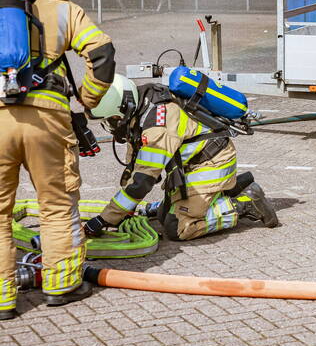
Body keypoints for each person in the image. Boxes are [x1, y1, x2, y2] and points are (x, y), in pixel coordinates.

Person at [0, 0, 116, 318]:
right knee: (56, 204)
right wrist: (88, 97)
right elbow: (103, 54)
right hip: (47, 120)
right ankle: (62, 285)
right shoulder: (62, 9)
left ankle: (3, 300)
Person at [85, 76, 278, 243]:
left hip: (211, 164)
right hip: (192, 166)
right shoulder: (141, 107)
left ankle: (245, 203)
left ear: (123, 108)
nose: (109, 126)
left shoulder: (157, 126)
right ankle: (232, 188)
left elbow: (142, 181)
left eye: (110, 120)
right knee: (162, 216)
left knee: (177, 227)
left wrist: (103, 220)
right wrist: (124, 212)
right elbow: (135, 167)